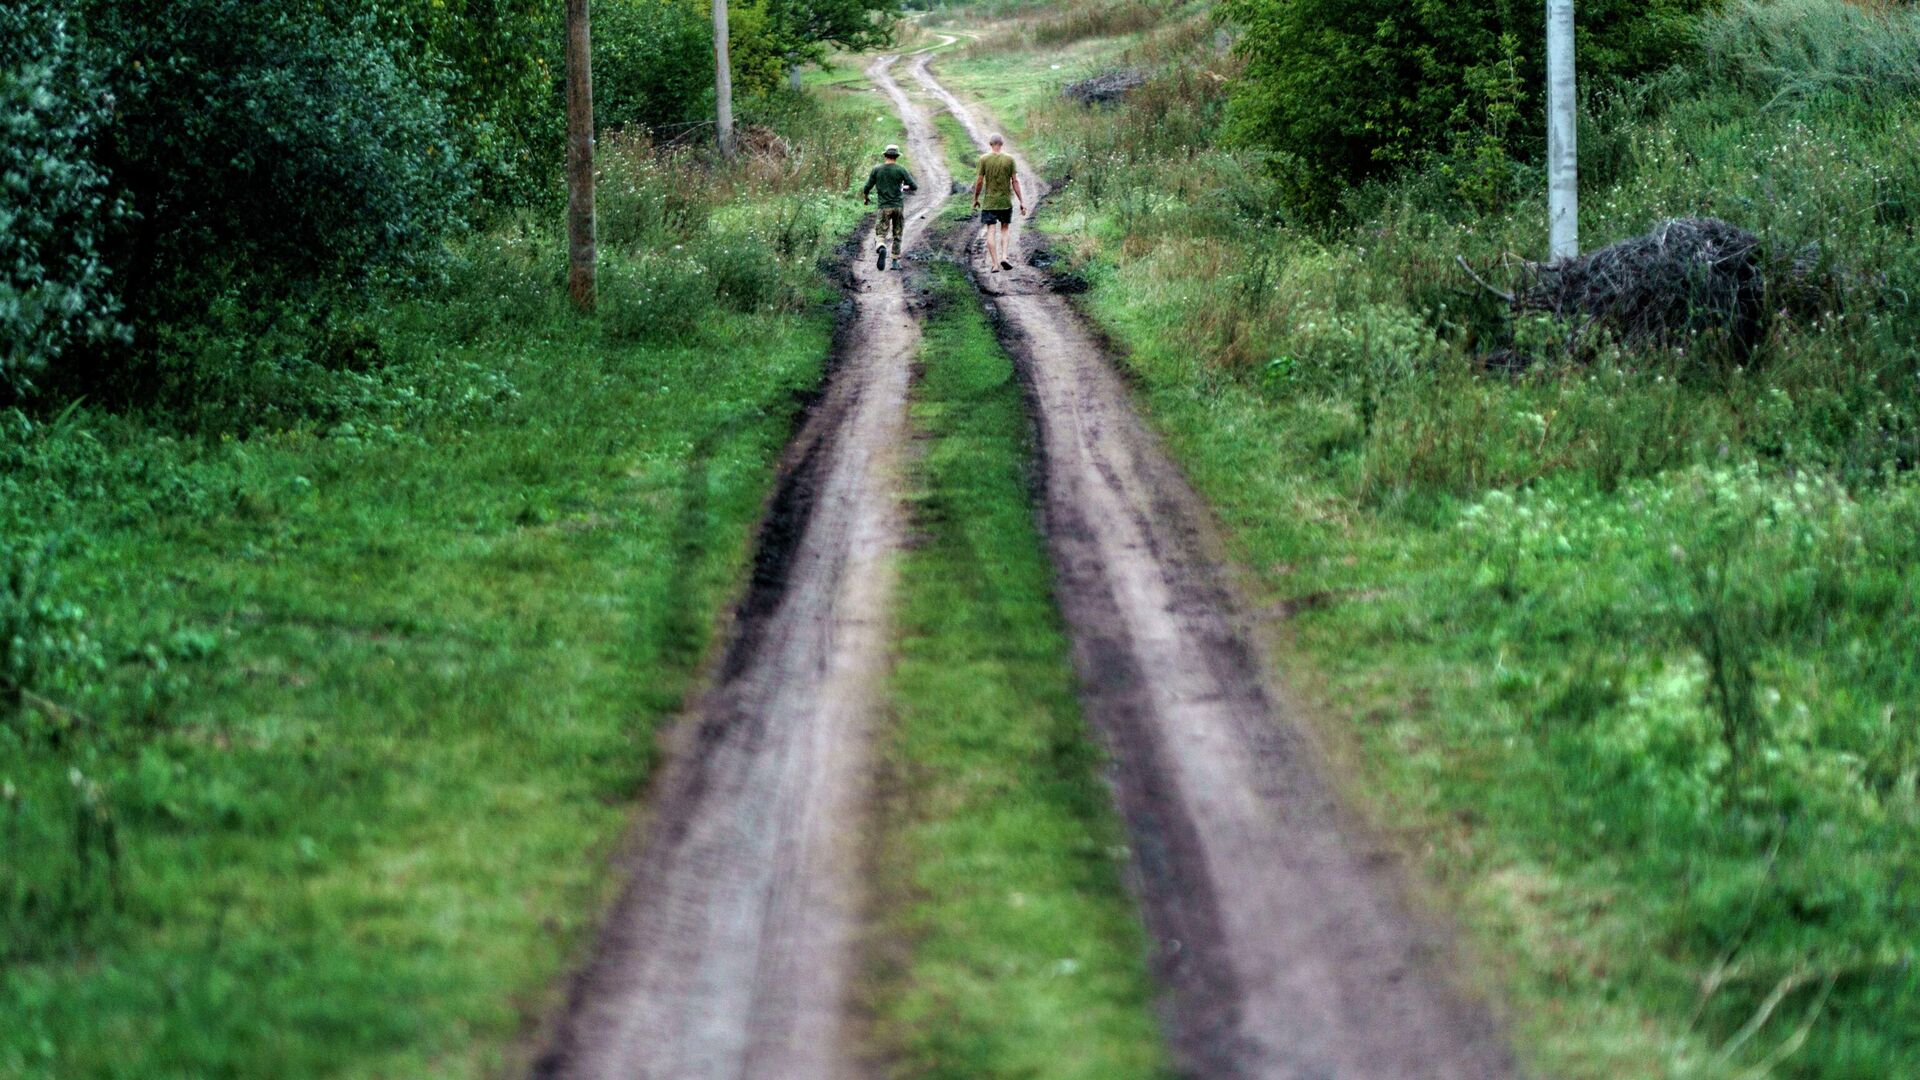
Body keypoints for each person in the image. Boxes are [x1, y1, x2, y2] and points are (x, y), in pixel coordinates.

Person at [971, 134, 1025, 273]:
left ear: (990, 144)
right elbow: (1015, 181)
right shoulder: (1009, 159)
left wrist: (976, 198)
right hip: (1005, 202)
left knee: (990, 231)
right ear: (1001, 144)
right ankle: (1004, 256)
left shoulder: (984, 159)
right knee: (1005, 229)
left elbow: (979, 181)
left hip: (989, 202)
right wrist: (1021, 201)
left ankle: (995, 264)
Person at [861, 144, 918, 271]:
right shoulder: (901, 170)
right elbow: (914, 186)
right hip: (898, 207)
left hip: (884, 207)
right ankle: (895, 263)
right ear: (896, 157)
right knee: (897, 233)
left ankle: (881, 247)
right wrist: (903, 187)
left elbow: (866, 187)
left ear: (885, 155)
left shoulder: (877, 170)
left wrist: (866, 198)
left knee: (880, 232)